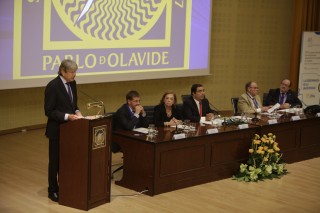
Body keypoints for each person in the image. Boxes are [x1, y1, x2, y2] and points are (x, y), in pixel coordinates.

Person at [44, 59, 83, 202]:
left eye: (75, 72)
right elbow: (49, 111)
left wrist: (78, 112)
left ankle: (66, 186)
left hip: (70, 130)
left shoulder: (73, 84)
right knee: (55, 162)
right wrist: (67, 116)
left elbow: (73, 104)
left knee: (67, 160)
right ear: (62, 71)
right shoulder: (53, 86)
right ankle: (52, 190)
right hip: (56, 130)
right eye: (72, 72)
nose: (74, 75)